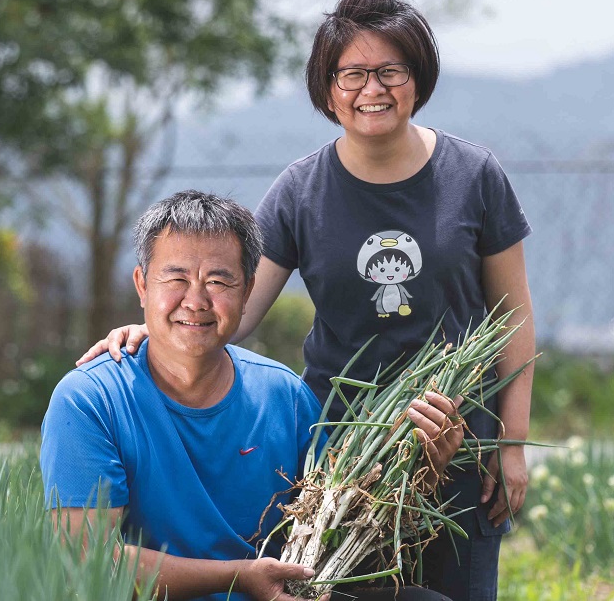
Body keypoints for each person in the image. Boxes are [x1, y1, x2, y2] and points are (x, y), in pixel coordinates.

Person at [76, 0, 536, 601]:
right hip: (344, 457)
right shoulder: (300, 190)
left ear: (417, 80)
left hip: (455, 444)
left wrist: (511, 445)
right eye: (352, 74)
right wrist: (152, 333)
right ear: (327, 90)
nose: (371, 89)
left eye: (389, 71)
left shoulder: (474, 176)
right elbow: (229, 312)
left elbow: (513, 320)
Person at [44, 190, 464, 601]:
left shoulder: (284, 395)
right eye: (176, 279)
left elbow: (345, 521)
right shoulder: (88, 401)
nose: (195, 300)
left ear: (247, 292)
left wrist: (419, 465)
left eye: (218, 281)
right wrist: (240, 578)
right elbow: (88, 558)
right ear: (142, 285)